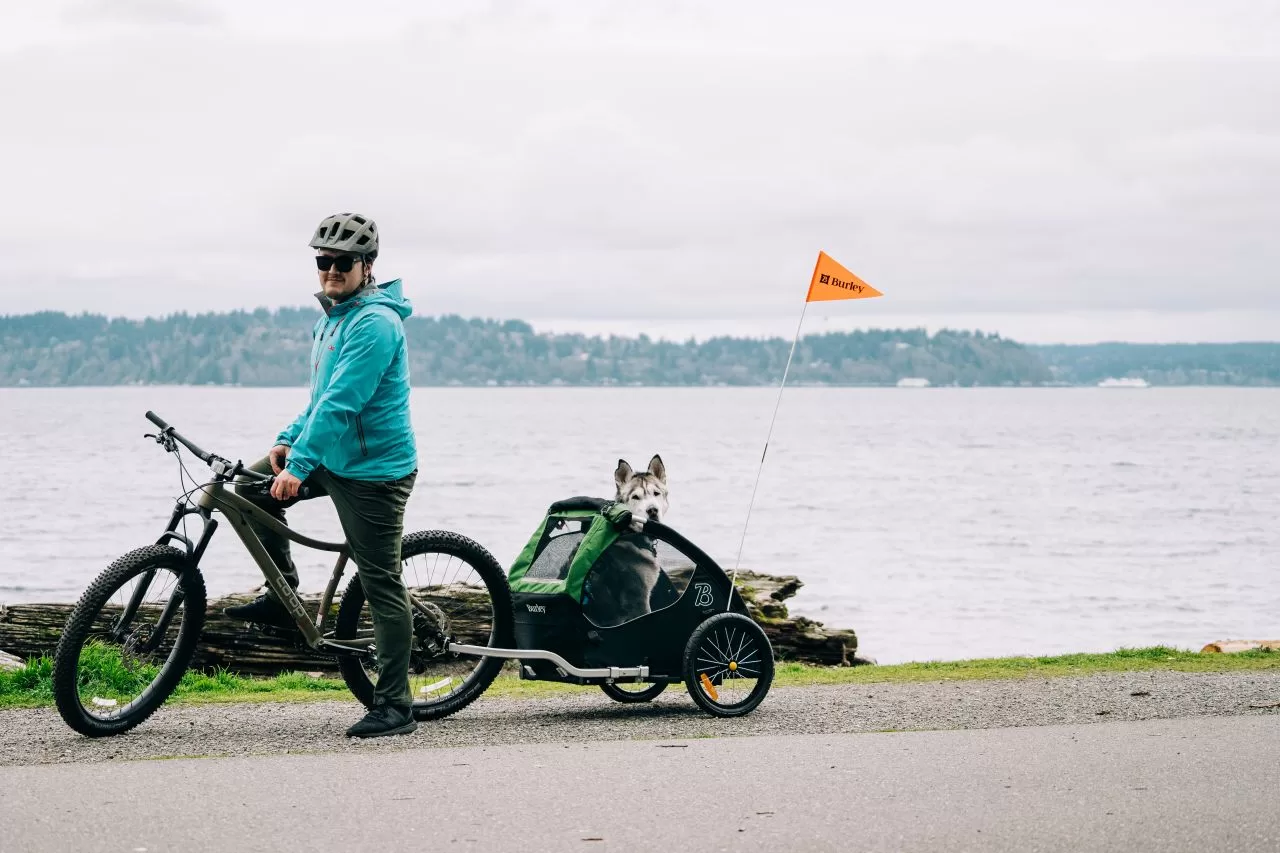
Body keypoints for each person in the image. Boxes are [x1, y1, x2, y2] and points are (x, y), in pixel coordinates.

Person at [225, 212, 420, 738]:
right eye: (322, 261)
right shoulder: (333, 316)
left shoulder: (376, 323)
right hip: (331, 454)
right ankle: (283, 593)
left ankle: (396, 705)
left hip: (375, 472)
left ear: (367, 265)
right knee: (248, 485)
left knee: (380, 581)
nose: (330, 270)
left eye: (341, 262)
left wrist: (301, 466)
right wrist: (288, 439)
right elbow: (318, 400)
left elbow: (342, 403)